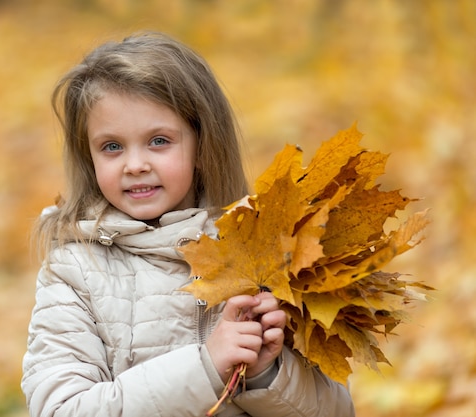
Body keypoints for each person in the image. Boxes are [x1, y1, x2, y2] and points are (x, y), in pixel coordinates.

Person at [22, 31, 355, 417]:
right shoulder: (75, 273)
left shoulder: (263, 254)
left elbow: (337, 411)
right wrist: (206, 367)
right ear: (89, 157)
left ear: (203, 145)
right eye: (112, 146)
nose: (135, 165)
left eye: (159, 141)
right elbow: (61, 410)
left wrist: (266, 374)